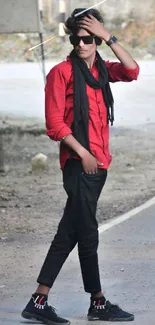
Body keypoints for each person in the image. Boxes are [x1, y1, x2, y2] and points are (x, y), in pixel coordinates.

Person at [21, 8, 139, 324]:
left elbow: (132, 70)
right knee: (86, 233)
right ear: (71, 39)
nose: (82, 44)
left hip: (101, 163)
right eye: (77, 39)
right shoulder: (61, 73)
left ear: (96, 40)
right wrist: (82, 152)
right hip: (78, 163)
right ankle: (97, 301)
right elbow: (54, 124)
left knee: (71, 231)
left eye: (88, 39)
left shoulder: (101, 71)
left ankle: (39, 299)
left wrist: (108, 37)